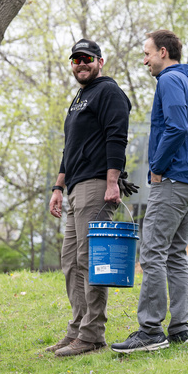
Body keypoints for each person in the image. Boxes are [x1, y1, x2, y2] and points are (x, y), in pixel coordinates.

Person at [111, 30, 188, 354]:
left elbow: (177, 128)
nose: (145, 60)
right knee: (176, 255)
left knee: (152, 251)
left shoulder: (168, 81)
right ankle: (180, 329)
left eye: (147, 53)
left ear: (163, 52)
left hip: (174, 182)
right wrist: (187, 160)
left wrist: (158, 166)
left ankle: (151, 331)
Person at [47, 39, 134, 357]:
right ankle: (77, 330)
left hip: (98, 185)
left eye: (86, 59)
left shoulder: (109, 91)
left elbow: (117, 137)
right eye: (75, 60)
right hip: (75, 187)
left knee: (89, 260)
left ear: (99, 61)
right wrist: (58, 187)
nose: (81, 64)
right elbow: (70, 148)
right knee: (70, 261)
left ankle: (93, 334)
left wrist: (113, 182)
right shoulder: (80, 98)